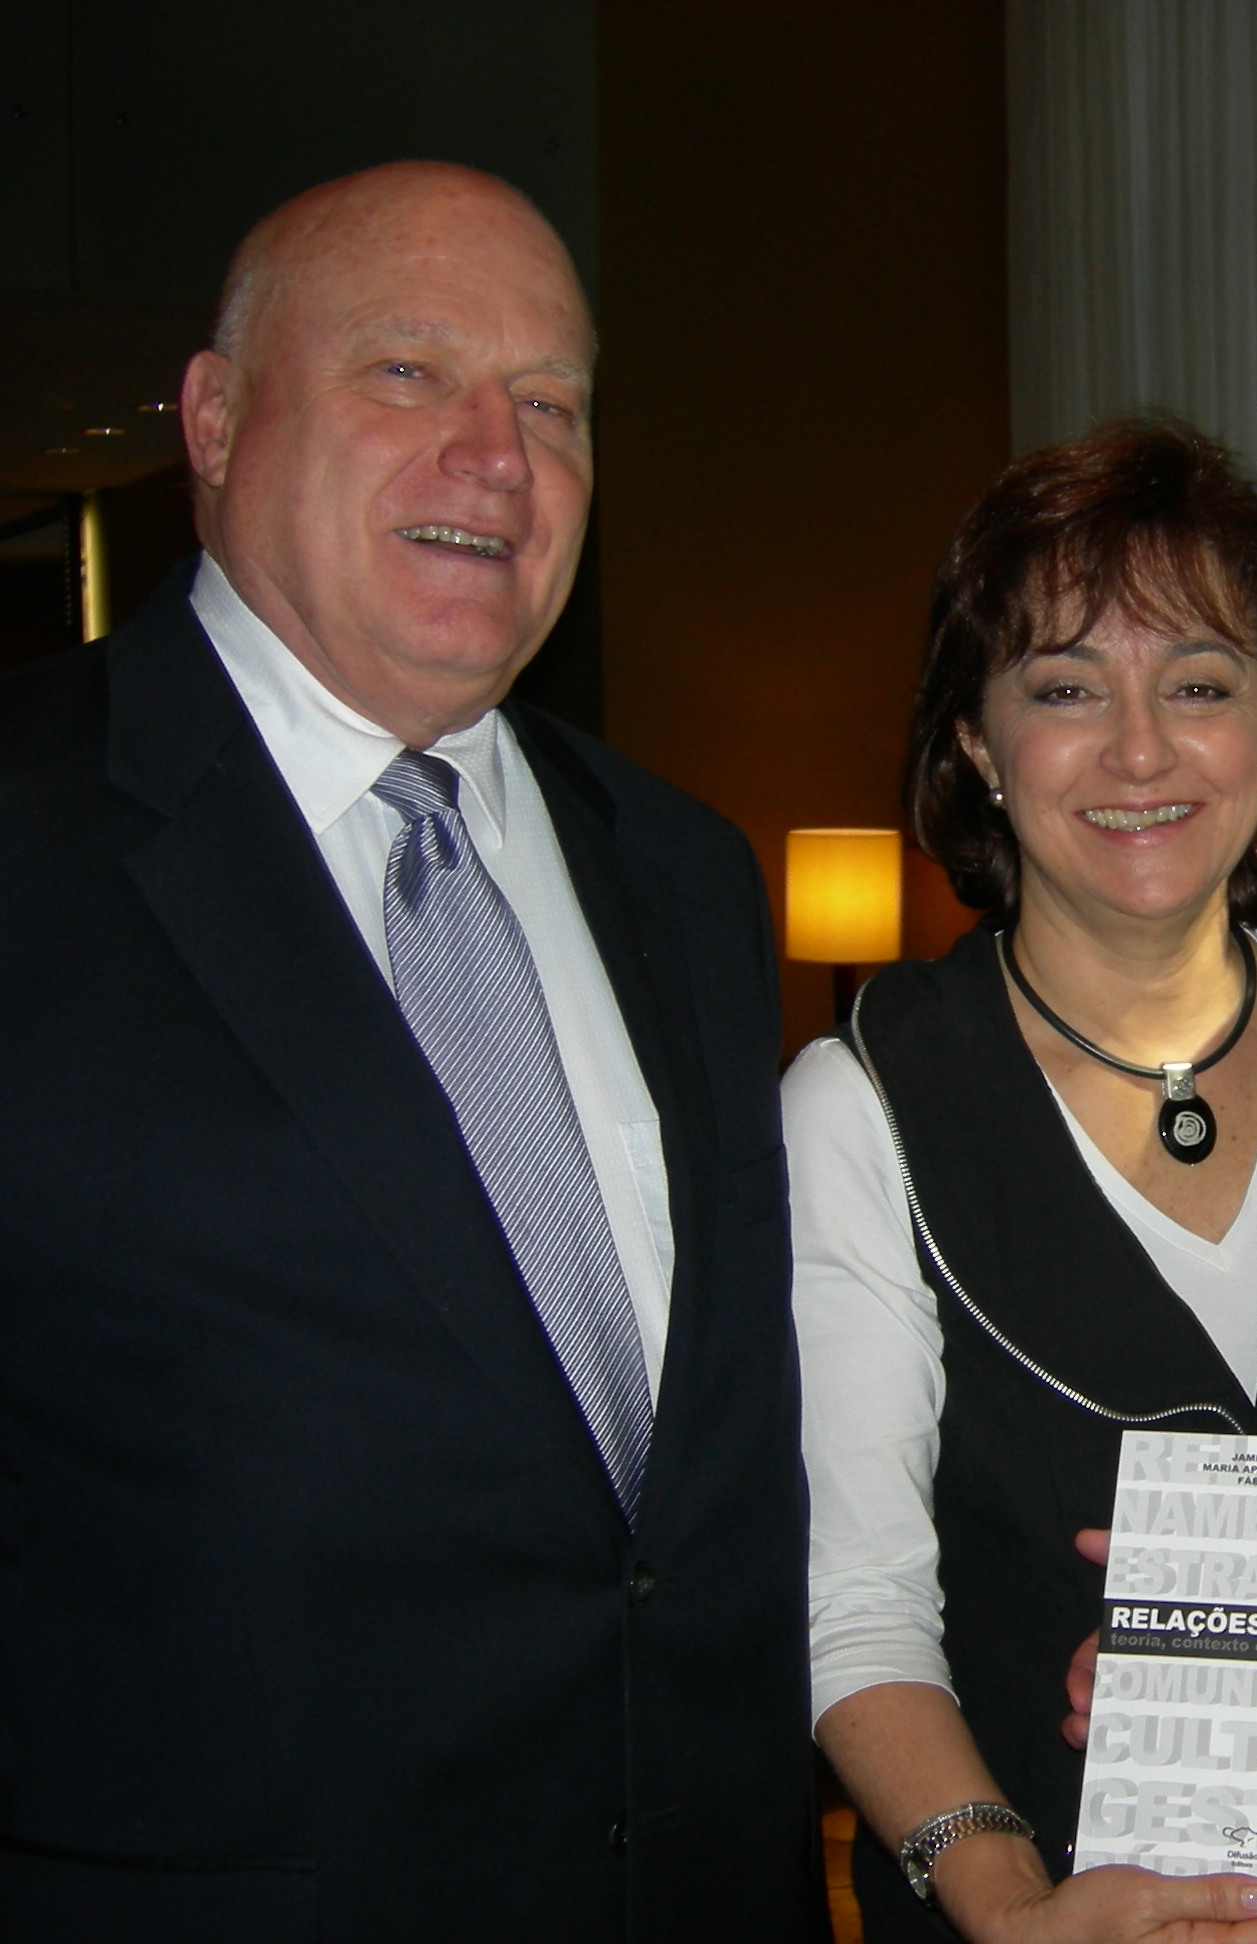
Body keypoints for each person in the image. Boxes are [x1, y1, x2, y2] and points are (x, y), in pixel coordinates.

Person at [0, 164, 821, 1941]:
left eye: (553, 404)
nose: (499, 457)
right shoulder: (27, 835)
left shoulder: (683, 869)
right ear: (216, 421)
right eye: (407, 372)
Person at [785, 418, 1257, 1944]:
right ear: (976, 743)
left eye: (1199, 684)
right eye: (1065, 689)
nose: (1139, 751)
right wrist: (1005, 1898)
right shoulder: (863, 1105)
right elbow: (855, 1606)